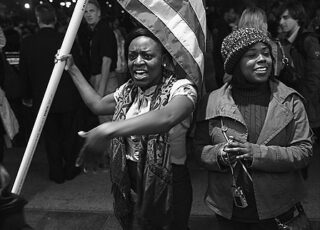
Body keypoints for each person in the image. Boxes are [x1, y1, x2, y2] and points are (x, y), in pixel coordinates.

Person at [62, 27, 197, 230]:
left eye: (147, 55)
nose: (138, 61)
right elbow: (97, 104)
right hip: (130, 178)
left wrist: (110, 129)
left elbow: (167, 117)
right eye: (132, 55)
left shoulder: (182, 88)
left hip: (168, 183)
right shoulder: (128, 90)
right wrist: (72, 69)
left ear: (164, 59)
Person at [194, 27, 313, 230]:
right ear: (235, 63)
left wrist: (255, 153)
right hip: (229, 210)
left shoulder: (290, 100)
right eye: (251, 55)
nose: (262, 59)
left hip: (279, 208)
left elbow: (303, 151)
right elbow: (197, 150)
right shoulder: (212, 101)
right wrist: (220, 154)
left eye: (266, 53)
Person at [19, 3, 82, 183]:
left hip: (42, 97)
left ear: (38, 19)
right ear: (54, 19)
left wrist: (27, 96)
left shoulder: (28, 43)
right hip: (67, 96)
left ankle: (56, 172)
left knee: (51, 137)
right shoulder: (66, 40)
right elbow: (78, 67)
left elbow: (25, 73)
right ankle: (70, 168)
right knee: (69, 135)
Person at [278, 1, 320, 141]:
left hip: (310, 111)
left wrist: (303, 104)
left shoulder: (308, 41)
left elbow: (315, 77)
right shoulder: (288, 42)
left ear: (298, 18)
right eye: (281, 18)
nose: (281, 21)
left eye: (286, 17)